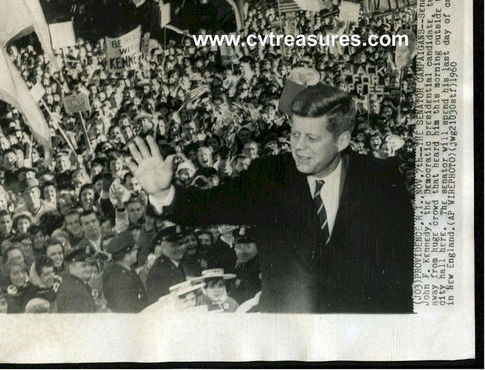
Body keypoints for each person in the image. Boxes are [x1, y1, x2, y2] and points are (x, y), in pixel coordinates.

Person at [128, 82, 414, 313]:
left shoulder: (380, 181)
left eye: (311, 139)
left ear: (342, 141)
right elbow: (208, 206)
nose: (298, 147)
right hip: (282, 339)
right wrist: (164, 193)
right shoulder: (268, 176)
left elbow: (403, 270)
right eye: (294, 135)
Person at [103, 229, 148, 313]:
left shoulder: (125, 269)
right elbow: (126, 311)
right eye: (135, 250)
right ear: (127, 256)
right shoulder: (121, 280)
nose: (137, 251)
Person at [145, 225, 186, 303]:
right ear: (162, 247)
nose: (180, 248)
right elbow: (158, 303)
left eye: (181, 243)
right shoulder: (158, 272)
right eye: (173, 245)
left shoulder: (176, 263)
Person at [55, 245, 98, 313]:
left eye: (90, 265)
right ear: (70, 266)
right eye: (83, 265)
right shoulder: (77, 292)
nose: (89, 269)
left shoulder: (63, 279)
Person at [230, 226, 261, 305]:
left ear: (258, 247)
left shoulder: (261, 268)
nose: (242, 251)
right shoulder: (237, 267)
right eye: (238, 247)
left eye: (248, 247)